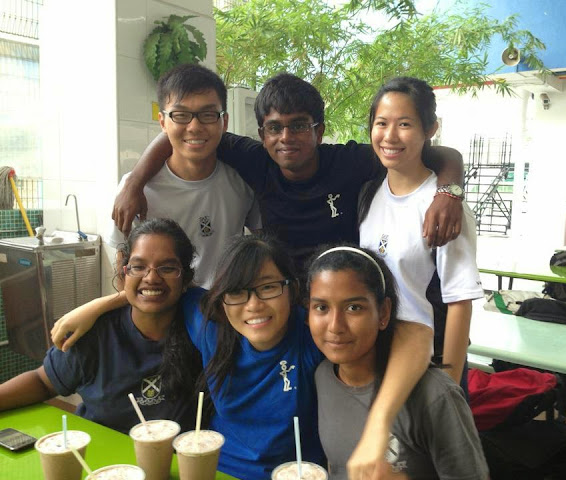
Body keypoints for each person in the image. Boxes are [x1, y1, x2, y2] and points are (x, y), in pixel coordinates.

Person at [52, 234, 434, 480]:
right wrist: (98, 305)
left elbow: (416, 334)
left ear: (292, 291)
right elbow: (162, 288)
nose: (253, 305)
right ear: (222, 298)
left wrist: (379, 424)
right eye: (237, 292)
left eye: (268, 287)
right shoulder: (211, 325)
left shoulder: (308, 332)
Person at [111, 73, 465, 275]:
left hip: (342, 294)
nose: (286, 138)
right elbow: (183, 133)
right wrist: (135, 183)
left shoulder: (349, 161)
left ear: (319, 131)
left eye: (298, 126)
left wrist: (448, 193)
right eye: (274, 128)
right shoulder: (255, 160)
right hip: (281, 299)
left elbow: (442, 154)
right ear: (262, 134)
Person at [0, 218, 201, 434]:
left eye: (167, 268)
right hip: (100, 451)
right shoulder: (97, 331)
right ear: (125, 273)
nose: (151, 277)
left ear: (185, 278)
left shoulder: (202, 330)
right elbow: (43, 381)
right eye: (138, 267)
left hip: (177, 453)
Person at [307, 245, 489, 479]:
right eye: (321, 307)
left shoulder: (434, 395)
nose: (335, 326)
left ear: (383, 313)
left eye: (354, 308)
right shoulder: (323, 376)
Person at [359, 77, 484, 390]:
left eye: (404, 124)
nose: (390, 136)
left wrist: (448, 385)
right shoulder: (368, 193)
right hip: (378, 361)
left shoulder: (444, 208)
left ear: (431, 129)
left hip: (428, 367)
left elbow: (459, 302)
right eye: (381, 123)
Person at [108, 63, 260, 289]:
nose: (194, 126)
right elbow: (124, 267)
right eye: (180, 115)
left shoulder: (243, 182)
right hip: (163, 306)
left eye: (208, 115)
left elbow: (261, 246)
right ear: (163, 122)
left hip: (225, 305)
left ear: (224, 122)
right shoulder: (137, 190)